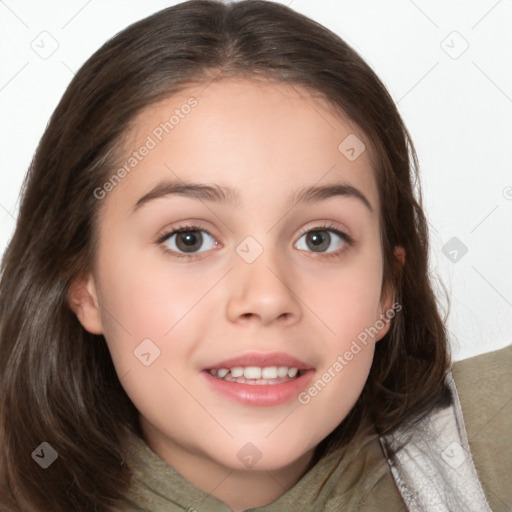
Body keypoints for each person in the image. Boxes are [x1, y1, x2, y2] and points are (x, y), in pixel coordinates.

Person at [0, 1, 509, 511]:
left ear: (386, 291)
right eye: (189, 239)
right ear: (82, 285)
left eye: (320, 239)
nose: (266, 298)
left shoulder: (487, 445)